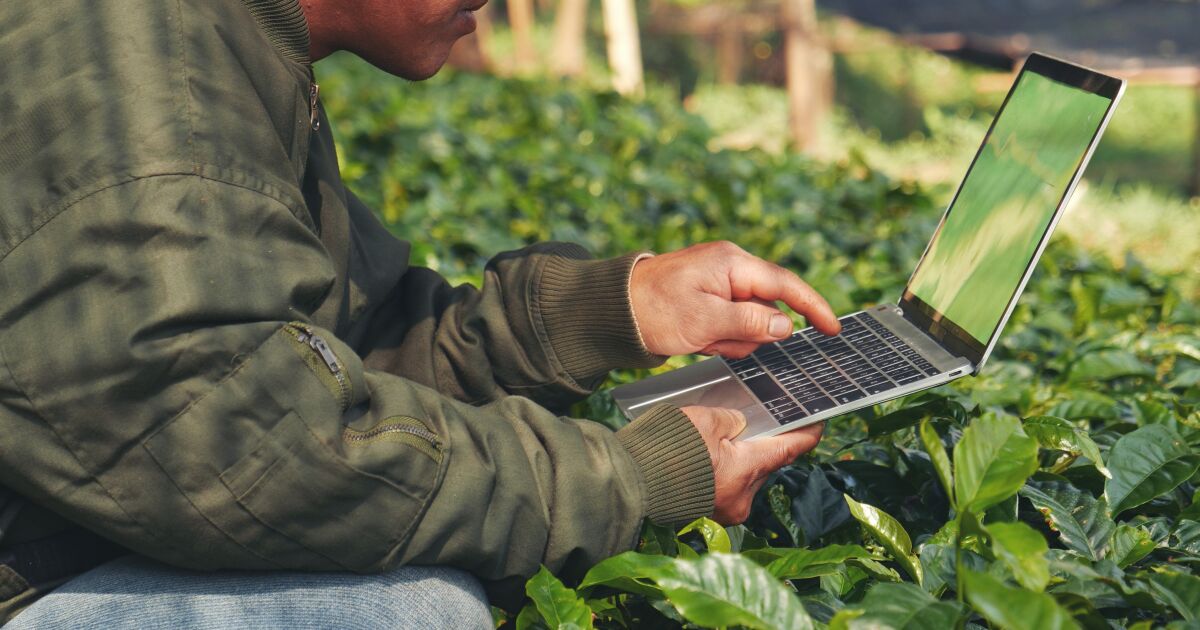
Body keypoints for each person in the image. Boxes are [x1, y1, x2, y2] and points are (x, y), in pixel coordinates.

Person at [0, 0, 839, 626]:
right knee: (410, 611)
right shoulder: (137, 79)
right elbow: (251, 453)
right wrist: (625, 481)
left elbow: (346, 348)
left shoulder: (227, 40)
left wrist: (604, 312)